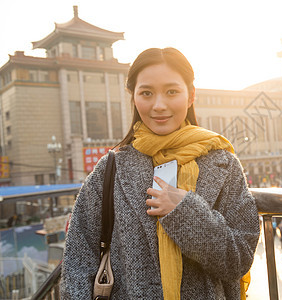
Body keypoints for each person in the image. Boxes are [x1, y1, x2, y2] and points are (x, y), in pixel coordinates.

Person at [60, 47, 261, 299]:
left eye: (171, 91)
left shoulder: (224, 165)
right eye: (146, 93)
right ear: (133, 97)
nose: (159, 105)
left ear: (190, 96)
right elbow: (78, 261)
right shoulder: (110, 169)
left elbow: (238, 260)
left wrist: (185, 212)